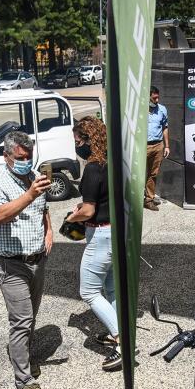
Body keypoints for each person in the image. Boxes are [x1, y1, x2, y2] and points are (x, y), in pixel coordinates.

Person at [0, 131, 54, 389]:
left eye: (29, 157)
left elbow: (43, 207)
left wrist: (49, 232)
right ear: (7, 156)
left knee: (30, 317)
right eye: (20, 158)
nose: (26, 161)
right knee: (22, 321)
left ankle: (22, 357)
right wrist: (31, 194)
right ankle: (23, 380)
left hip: (36, 259)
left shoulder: (34, 176)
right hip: (11, 264)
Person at [64, 116, 121, 371]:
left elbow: (88, 211)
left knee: (88, 291)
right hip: (115, 232)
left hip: (100, 236)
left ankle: (122, 341)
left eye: (78, 140)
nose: (77, 145)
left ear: (88, 139)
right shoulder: (113, 162)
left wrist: (72, 216)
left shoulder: (93, 167)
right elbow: (103, 200)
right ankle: (116, 330)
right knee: (110, 289)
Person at [144, 85, 169, 211]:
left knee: (153, 174)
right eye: (154, 98)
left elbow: (165, 127)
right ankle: (137, 198)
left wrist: (166, 146)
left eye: (158, 97)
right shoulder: (140, 110)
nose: (157, 100)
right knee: (140, 173)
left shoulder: (162, 109)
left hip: (158, 145)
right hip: (143, 146)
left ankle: (149, 199)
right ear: (147, 97)